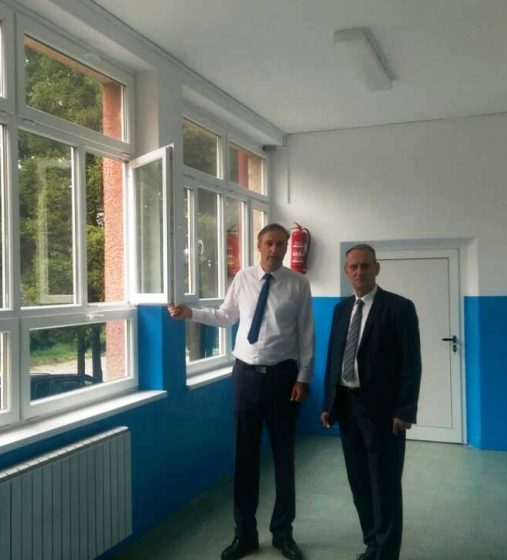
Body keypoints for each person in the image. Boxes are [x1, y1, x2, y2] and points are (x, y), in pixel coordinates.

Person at [169, 223, 313, 560]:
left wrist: (303, 377)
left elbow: (306, 333)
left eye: (281, 244)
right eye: (269, 243)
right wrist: (191, 313)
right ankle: (244, 535)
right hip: (246, 376)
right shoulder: (243, 279)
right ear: (258, 245)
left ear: (286, 247)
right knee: (244, 457)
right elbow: (225, 316)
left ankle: (283, 534)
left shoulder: (298, 284)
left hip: (282, 378)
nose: (275, 249)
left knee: (284, 458)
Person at [320, 244, 422, 560]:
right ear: (346, 271)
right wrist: (328, 403)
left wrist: (404, 409)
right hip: (347, 407)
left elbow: (411, 363)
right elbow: (334, 357)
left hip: (383, 412)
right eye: (353, 267)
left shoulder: (399, 308)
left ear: (377, 268)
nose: (359, 272)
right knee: (360, 482)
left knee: (385, 483)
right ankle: (373, 543)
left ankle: (387, 553)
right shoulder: (340, 310)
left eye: (365, 266)